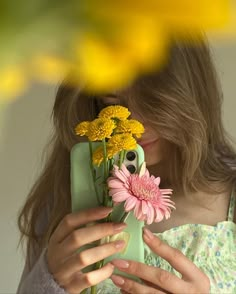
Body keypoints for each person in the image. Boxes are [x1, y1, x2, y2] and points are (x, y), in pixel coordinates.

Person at [17, 36, 236, 294]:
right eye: (114, 104)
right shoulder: (64, 203)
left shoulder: (228, 196)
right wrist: (47, 284)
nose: (136, 122)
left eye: (154, 103)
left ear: (189, 98)